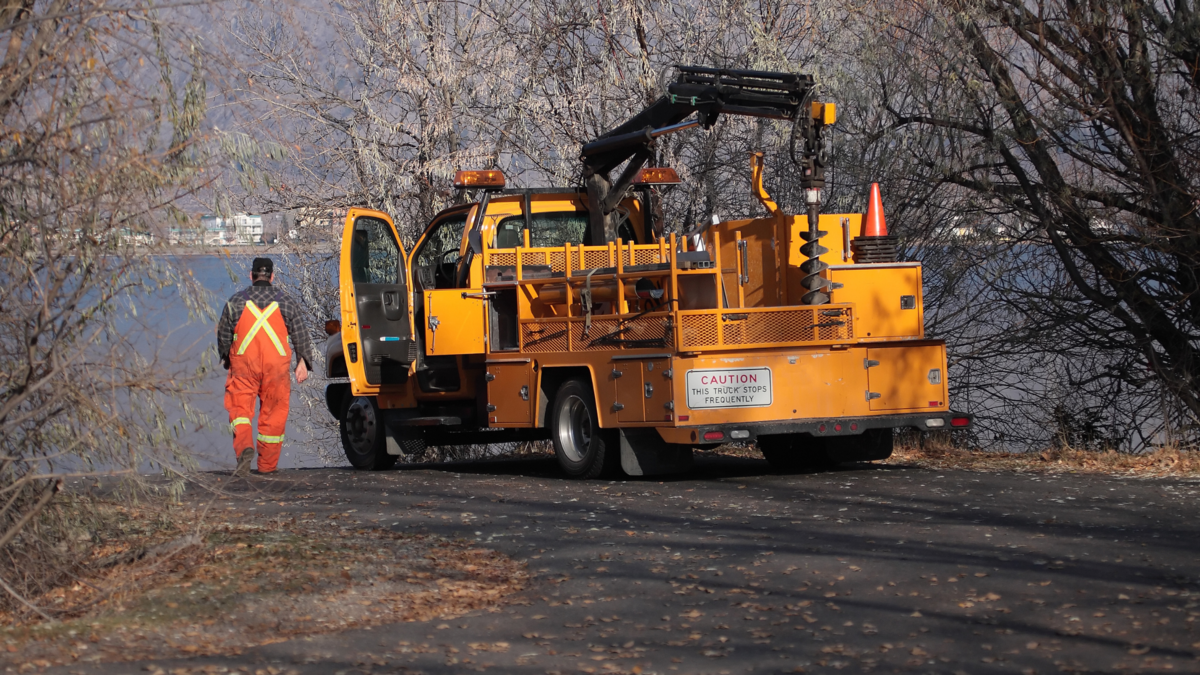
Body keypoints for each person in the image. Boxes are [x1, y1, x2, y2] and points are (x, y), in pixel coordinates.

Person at [216, 258, 315, 476]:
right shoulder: (286, 302)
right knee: (274, 414)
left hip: (243, 365)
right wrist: (303, 362)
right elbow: (300, 332)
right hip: (276, 368)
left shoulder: (236, 302)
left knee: (239, 410)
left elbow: (223, 333)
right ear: (272, 276)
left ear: (251, 276)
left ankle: (244, 448)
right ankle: (267, 467)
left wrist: (225, 357)